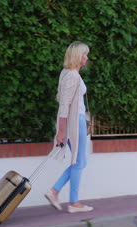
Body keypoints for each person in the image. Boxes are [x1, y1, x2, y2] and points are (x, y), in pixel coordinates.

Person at [44, 41, 93, 213]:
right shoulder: (72, 75)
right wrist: (62, 132)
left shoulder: (67, 73)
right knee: (79, 162)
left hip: (75, 120)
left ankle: (57, 192)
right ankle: (71, 202)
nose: (87, 57)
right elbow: (64, 104)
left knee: (79, 162)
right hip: (75, 121)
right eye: (85, 54)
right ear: (78, 57)